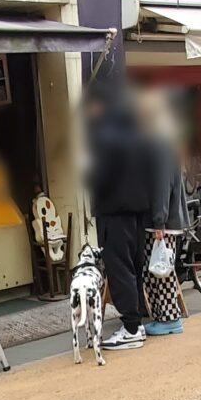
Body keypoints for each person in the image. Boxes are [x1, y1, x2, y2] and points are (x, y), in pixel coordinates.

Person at [85, 83, 154, 350]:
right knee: (134, 266)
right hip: (138, 210)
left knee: (119, 269)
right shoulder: (136, 133)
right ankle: (136, 322)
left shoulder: (103, 136)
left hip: (114, 210)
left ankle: (131, 328)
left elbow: (100, 177)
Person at [140, 89, 190, 336]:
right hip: (166, 218)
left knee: (161, 269)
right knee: (159, 267)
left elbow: (161, 184)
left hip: (161, 220)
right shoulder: (167, 138)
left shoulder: (158, 140)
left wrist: (158, 220)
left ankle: (170, 319)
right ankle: (163, 317)